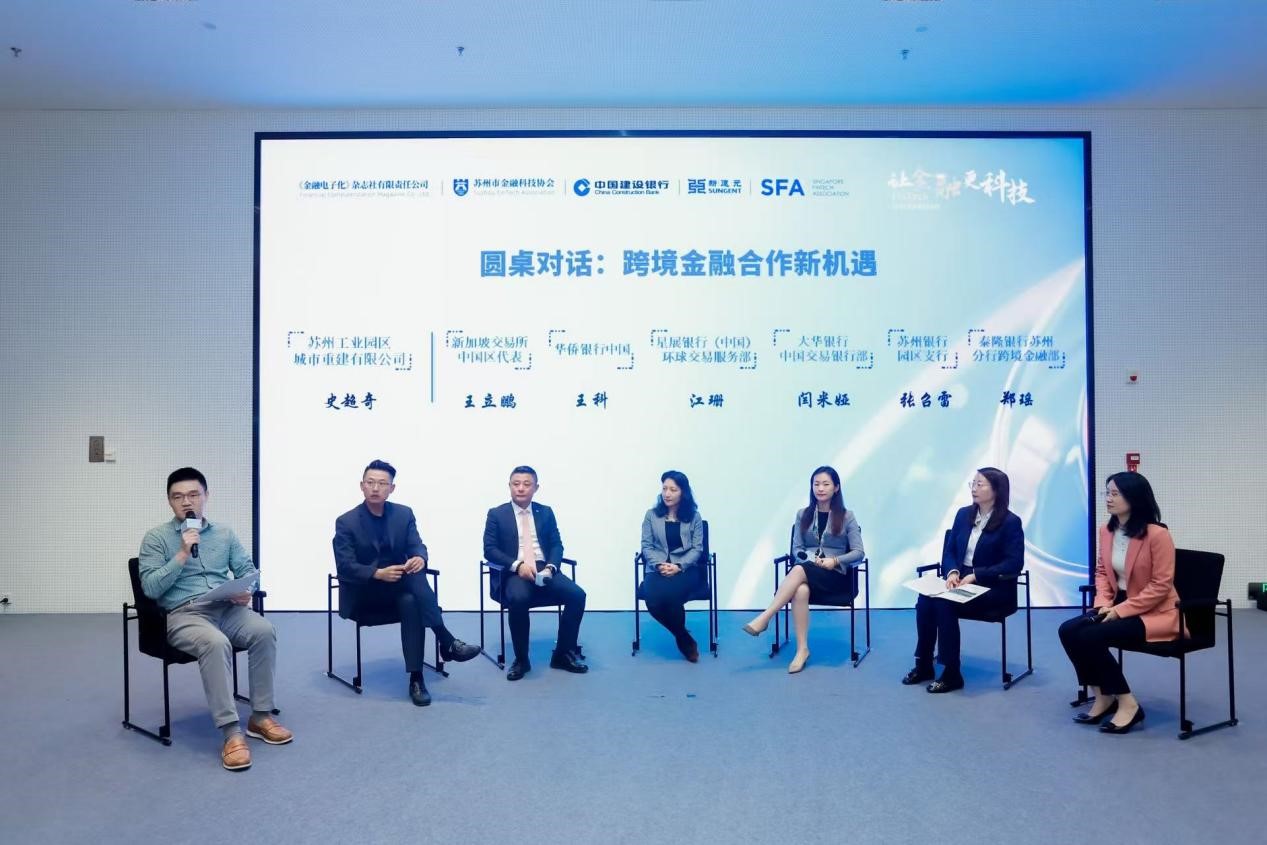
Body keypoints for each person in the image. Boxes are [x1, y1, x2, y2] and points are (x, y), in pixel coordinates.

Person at [138, 467, 292, 771]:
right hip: (184, 614)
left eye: (193, 495)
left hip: (226, 608)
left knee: (264, 630)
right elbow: (151, 589)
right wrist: (182, 553)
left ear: (206, 496)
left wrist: (246, 590)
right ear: (169, 501)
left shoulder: (224, 533)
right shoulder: (156, 538)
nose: (186, 502)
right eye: (178, 497)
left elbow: (248, 570)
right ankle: (232, 732)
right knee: (215, 643)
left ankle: (260, 717)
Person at [333, 460, 480, 708]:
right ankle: (447, 641)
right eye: (370, 482)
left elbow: (417, 545)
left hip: (400, 589)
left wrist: (419, 558)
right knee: (413, 586)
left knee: (412, 597)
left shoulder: (404, 514)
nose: (375, 488)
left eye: (382, 483)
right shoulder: (347, 522)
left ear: (392, 488)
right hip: (366, 593)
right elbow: (345, 566)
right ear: (361, 486)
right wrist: (377, 573)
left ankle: (416, 679)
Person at [1059, 472, 1178, 734]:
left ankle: (1128, 703)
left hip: (1155, 612)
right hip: (1116, 604)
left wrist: (1119, 610)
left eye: (1115, 494)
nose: (1108, 499)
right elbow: (1102, 572)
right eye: (1107, 493)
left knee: (1090, 636)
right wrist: (1103, 602)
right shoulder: (1106, 530)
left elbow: (1161, 586)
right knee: (1068, 630)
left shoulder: (1157, 535)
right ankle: (1103, 696)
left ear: (1134, 498)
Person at [901, 467, 1025, 694]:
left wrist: (977, 575)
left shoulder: (1010, 522)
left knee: (944, 603)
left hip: (992, 586)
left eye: (980, 484)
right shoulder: (963, 514)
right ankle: (924, 664)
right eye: (973, 483)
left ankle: (951, 673)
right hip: (960, 580)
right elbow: (950, 551)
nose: (974, 488)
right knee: (926, 600)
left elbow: (1013, 563)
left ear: (996, 490)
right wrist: (951, 572)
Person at [742, 466, 864, 673]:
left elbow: (859, 552)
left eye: (825, 484)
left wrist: (835, 561)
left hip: (835, 577)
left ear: (836, 488)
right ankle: (802, 650)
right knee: (800, 589)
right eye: (816, 484)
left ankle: (766, 617)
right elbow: (796, 549)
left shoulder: (847, 516)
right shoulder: (803, 515)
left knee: (798, 571)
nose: (820, 488)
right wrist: (809, 559)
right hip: (809, 570)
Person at [482, 466, 587, 680]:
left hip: (543, 566)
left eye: (526, 484)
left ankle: (562, 654)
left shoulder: (545, 512)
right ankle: (522, 660)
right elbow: (490, 550)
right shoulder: (496, 514)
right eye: (516, 484)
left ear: (536, 488)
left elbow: (556, 544)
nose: (520, 488)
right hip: (513, 571)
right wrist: (517, 565)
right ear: (509, 486)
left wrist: (551, 567)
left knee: (577, 595)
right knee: (519, 597)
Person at [638, 470, 706, 662]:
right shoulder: (651, 515)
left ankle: (685, 645)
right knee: (652, 600)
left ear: (683, 492)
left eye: (673, 490)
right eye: (664, 489)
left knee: (671, 596)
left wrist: (678, 566)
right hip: (657, 568)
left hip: (686, 569)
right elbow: (646, 546)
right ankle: (683, 636)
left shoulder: (694, 517)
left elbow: (697, 548)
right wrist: (659, 564)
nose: (667, 494)